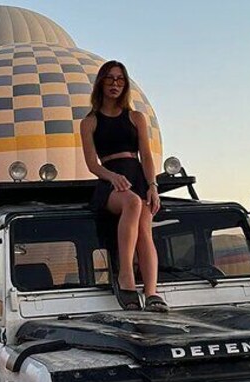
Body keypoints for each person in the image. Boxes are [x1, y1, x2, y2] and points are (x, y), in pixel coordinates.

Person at [80, 61, 168, 313]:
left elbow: (146, 156)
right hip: (110, 180)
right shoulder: (89, 122)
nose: (115, 84)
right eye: (110, 78)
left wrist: (153, 185)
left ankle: (151, 293)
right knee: (132, 202)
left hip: (137, 176)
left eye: (120, 79)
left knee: (144, 229)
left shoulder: (136, 117)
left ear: (126, 85)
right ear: (101, 83)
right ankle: (126, 275)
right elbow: (92, 164)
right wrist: (112, 177)